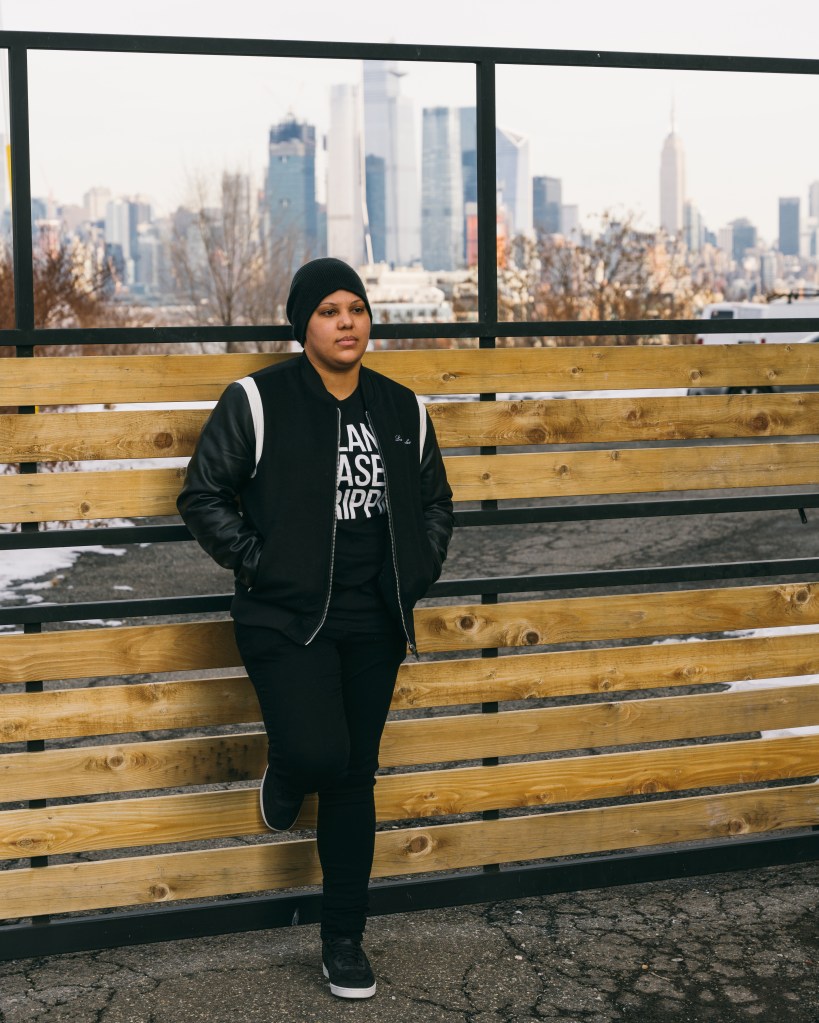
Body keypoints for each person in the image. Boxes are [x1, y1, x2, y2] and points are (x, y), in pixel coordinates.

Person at [177, 257, 454, 999]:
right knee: (322, 754)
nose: (346, 322)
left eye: (355, 308)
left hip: (375, 618)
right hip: (286, 616)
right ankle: (291, 766)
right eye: (329, 310)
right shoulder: (258, 399)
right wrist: (262, 565)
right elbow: (203, 494)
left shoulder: (401, 407)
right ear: (304, 325)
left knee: (355, 777)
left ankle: (343, 940)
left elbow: (435, 501)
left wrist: (417, 569)